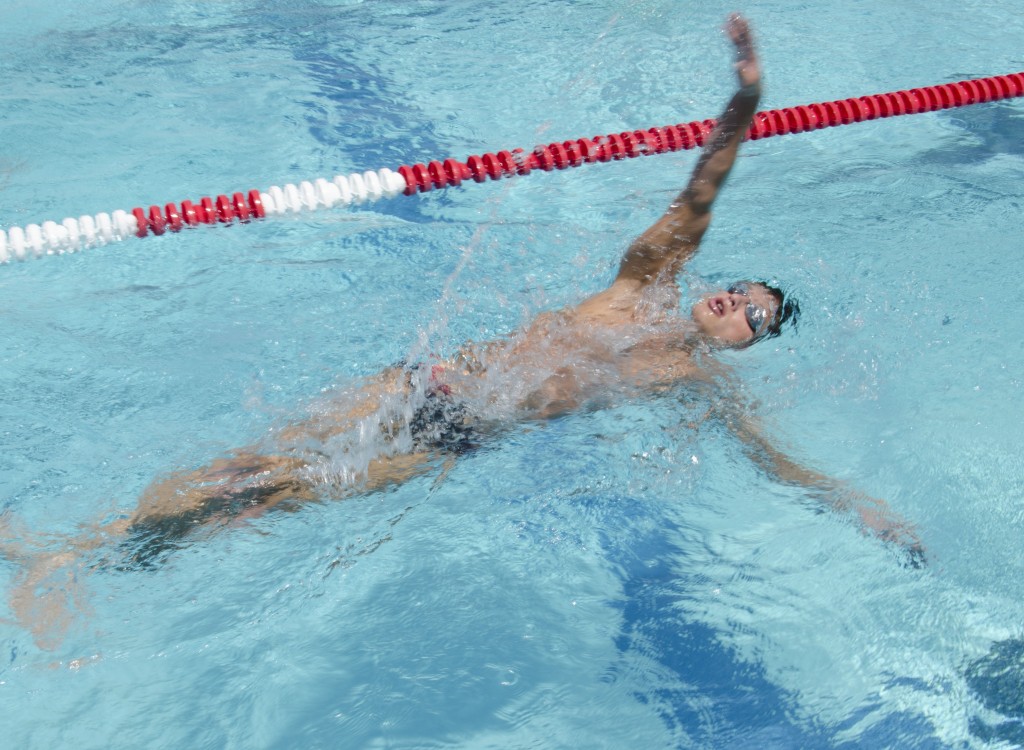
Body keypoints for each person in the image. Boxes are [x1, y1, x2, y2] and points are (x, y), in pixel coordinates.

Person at [5, 15, 922, 649]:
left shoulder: (694, 383)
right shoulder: (643, 285)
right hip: (422, 380)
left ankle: (77, 559)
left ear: (750, 348)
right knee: (252, 463)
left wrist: (858, 507)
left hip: (462, 435)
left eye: (754, 317)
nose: (733, 304)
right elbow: (701, 190)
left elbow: (777, 461)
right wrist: (747, 100)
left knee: (268, 498)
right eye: (736, 291)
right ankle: (66, 555)